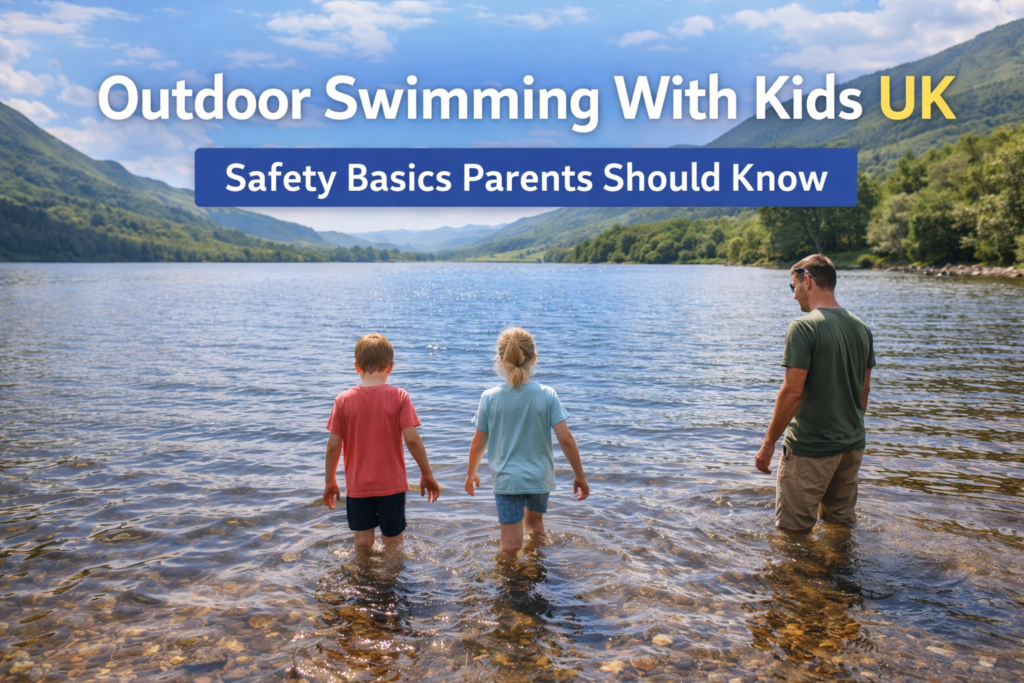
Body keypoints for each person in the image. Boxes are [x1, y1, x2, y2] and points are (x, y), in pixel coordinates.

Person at [755, 254, 876, 532]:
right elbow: (864, 390)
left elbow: (791, 393)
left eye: (793, 286)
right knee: (841, 526)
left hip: (811, 449)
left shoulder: (804, 326)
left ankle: (795, 576)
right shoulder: (862, 328)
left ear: (807, 281)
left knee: (791, 532)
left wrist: (769, 443)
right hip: (852, 445)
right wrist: (848, 431)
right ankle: (842, 574)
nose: (794, 295)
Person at [465, 327, 590, 553]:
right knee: (535, 525)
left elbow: (478, 442)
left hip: (507, 481)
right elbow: (567, 439)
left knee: (510, 542)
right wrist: (579, 475)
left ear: (499, 361)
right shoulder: (547, 394)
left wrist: (471, 472)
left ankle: (511, 585)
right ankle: (538, 572)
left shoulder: (489, 398)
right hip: (538, 478)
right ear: (533, 359)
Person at [323, 333, 440, 551]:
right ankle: (391, 581)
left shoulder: (342, 400)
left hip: (358, 486)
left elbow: (332, 446)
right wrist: (427, 473)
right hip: (392, 486)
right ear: (390, 366)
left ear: (356, 366)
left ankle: (363, 581)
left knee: (362, 541)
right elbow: (412, 439)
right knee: (393, 541)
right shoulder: (399, 396)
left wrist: (330, 480)